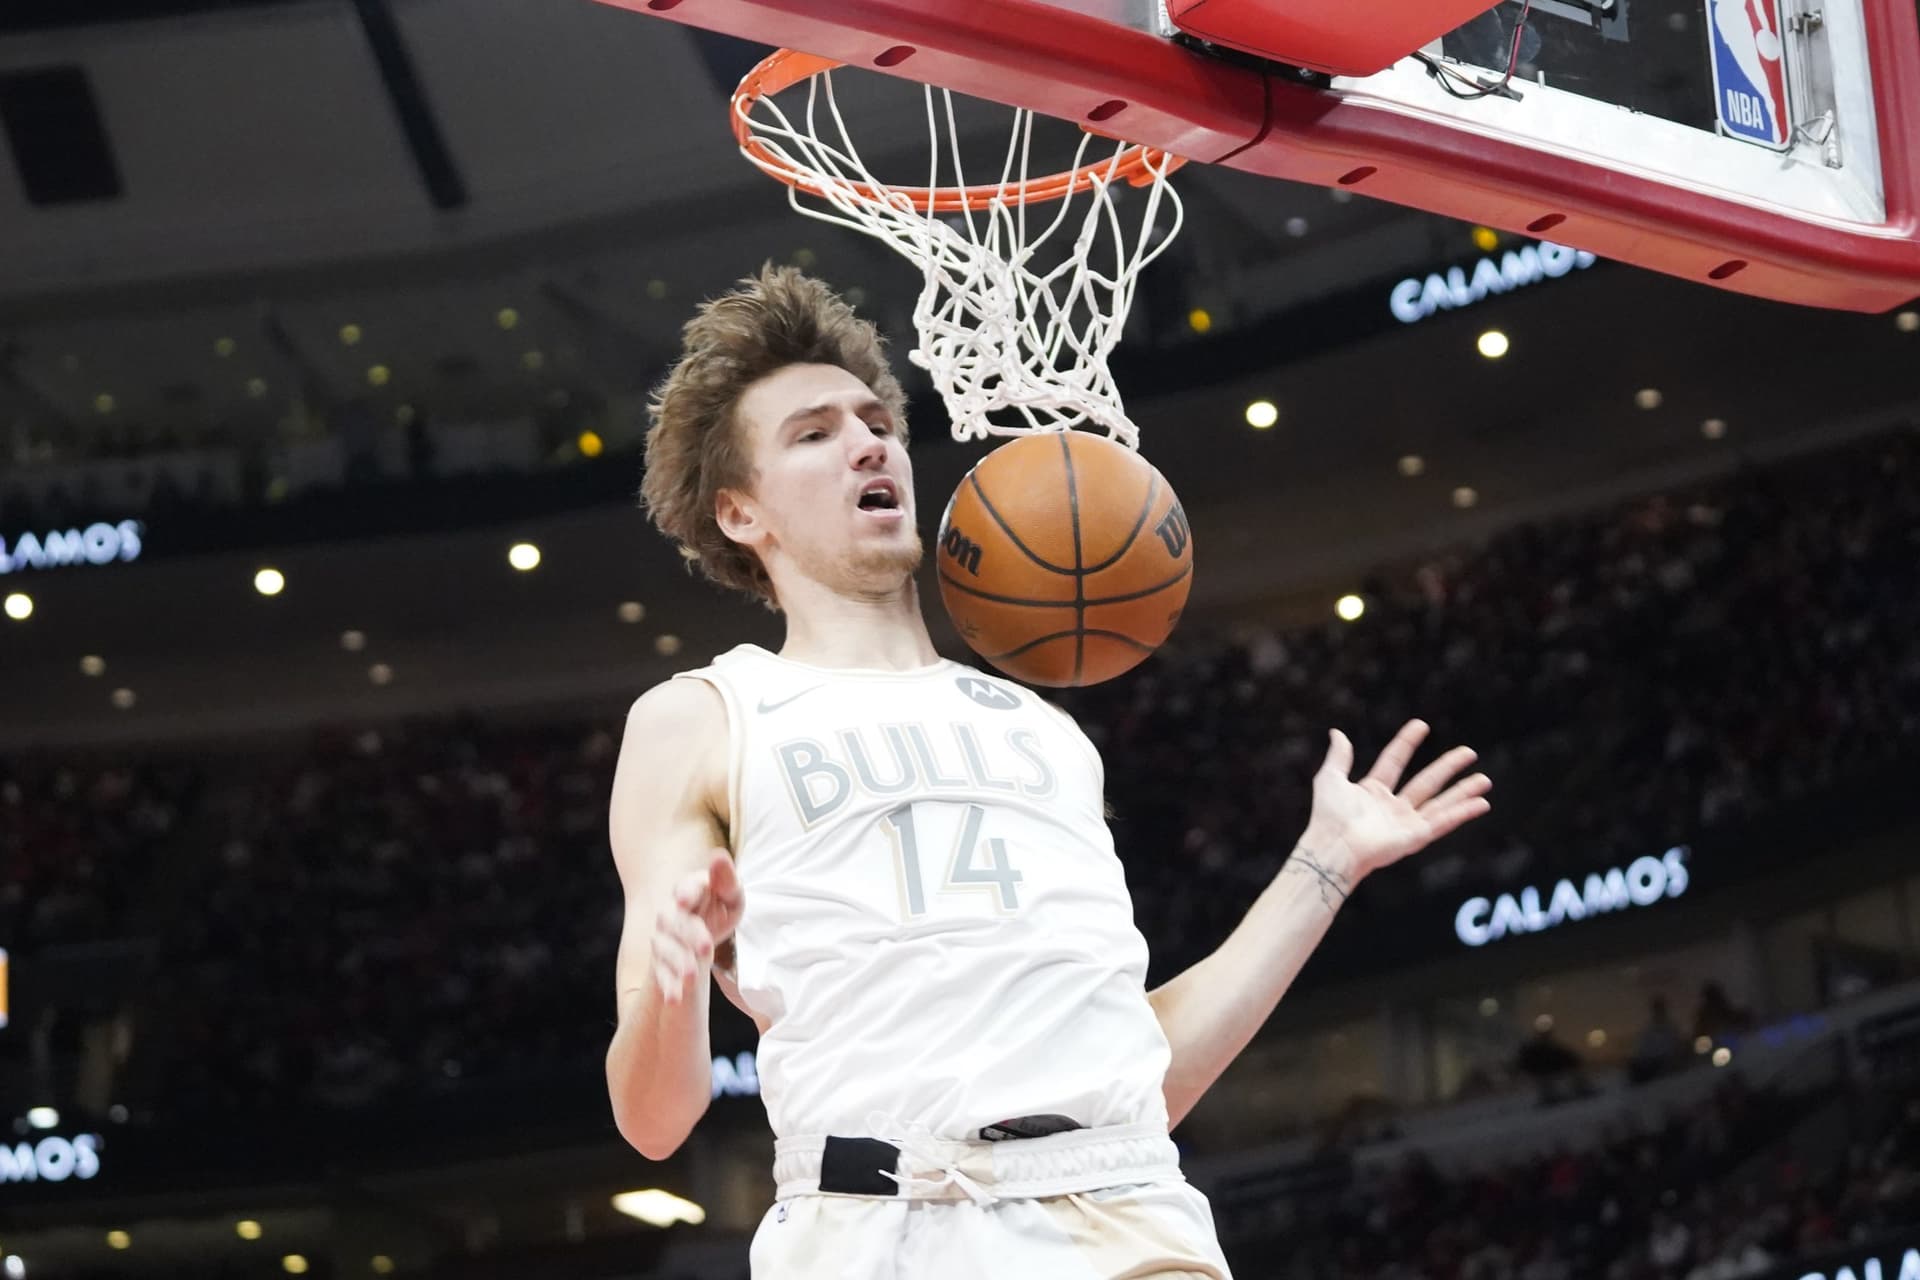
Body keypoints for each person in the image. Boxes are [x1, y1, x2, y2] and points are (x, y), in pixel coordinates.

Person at [603, 267, 1494, 1279]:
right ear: (739, 513)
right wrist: (677, 981)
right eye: (814, 434)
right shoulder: (704, 716)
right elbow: (653, 1119)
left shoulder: (1044, 729)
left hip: (1124, 1215)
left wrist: (1325, 863)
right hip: (873, 1226)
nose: (868, 443)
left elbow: (1140, 1082)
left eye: (876, 422)